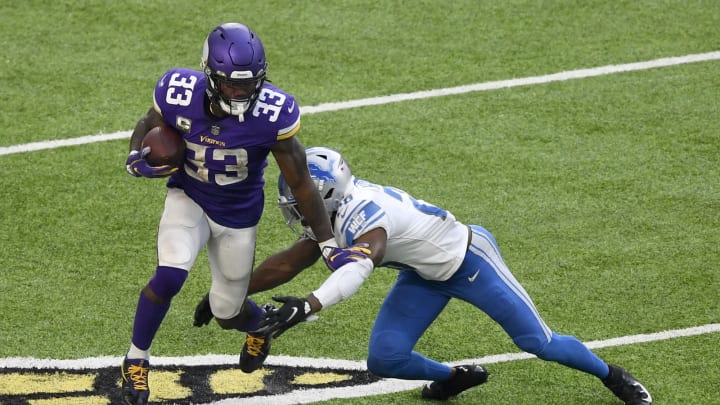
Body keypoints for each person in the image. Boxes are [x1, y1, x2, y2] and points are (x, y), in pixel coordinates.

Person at [194, 146, 653, 404]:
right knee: (385, 359)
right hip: (422, 273)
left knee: (539, 344)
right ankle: (454, 377)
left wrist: (309, 305)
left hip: (470, 261)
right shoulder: (337, 210)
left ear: (327, 193)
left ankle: (612, 376)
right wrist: (232, 289)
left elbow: (358, 265)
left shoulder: (364, 215)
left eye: (300, 195)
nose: (295, 204)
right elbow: (296, 259)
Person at [120, 23, 352, 405]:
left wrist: (327, 242)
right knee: (169, 275)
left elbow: (301, 182)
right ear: (210, 75)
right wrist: (134, 154)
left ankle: (260, 328)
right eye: (231, 85)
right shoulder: (179, 91)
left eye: (248, 84)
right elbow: (150, 122)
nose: (241, 92)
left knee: (226, 311)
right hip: (189, 198)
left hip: (238, 217)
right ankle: (135, 360)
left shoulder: (272, 113)